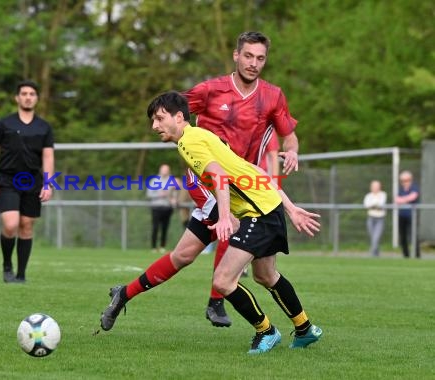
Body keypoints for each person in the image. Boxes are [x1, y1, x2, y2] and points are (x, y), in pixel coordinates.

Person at [100, 92, 322, 354]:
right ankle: (304, 328)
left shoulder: (189, 142)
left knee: (223, 281)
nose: (155, 126)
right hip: (266, 207)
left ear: (179, 117)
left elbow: (219, 178)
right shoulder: (202, 137)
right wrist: (290, 207)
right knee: (265, 275)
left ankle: (266, 331)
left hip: (257, 213)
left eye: (159, 119)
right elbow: (254, 172)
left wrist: (226, 215)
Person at [182, 31, 299, 327]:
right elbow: (176, 112)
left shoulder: (273, 95)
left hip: (245, 181)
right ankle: (218, 301)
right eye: (248, 56)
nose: (253, 63)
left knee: (264, 272)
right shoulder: (210, 90)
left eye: (260, 58)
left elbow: (289, 134)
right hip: (206, 180)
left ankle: (301, 327)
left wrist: (292, 150)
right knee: (220, 233)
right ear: (236, 55)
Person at [0, 80, 55, 283]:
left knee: (26, 225)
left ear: (37, 98)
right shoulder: (4, 124)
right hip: (7, 180)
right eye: (24, 93)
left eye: (32, 93)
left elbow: (48, 156)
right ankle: (7, 266)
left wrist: (48, 183)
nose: (28, 96)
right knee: (11, 224)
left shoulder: (44, 127)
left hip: (33, 181)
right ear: (17, 98)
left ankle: (21, 275)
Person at [146, 164, 177, 253]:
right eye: (163, 170)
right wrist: (159, 195)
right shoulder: (154, 180)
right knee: (155, 227)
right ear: (160, 170)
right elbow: (149, 194)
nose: (165, 171)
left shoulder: (172, 181)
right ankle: (153, 247)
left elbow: (175, 193)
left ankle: (162, 246)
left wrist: (174, 199)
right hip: (156, 207)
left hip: (167, 208)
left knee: (165, 228)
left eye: (166, 170)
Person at [395, 171, 420, 258]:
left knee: (413, 236)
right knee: (403, 236)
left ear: (410, 180)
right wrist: (406, 199)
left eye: (406, 180)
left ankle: (417, 255)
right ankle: (406, 255)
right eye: (402, 180)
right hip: (402, 215)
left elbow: (413, 196)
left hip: (412, 215)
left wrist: (403, 199)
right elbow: (397, 200)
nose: (404, 182)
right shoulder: (400, 189)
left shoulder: (414, 187)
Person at [363, 180, 387, 257]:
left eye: (377, 186)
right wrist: (374, 205)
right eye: (374, 186)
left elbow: (380, 204)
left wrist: (374, 205)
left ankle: (373, 254)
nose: (375, 188)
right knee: (372, 237)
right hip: (371, 218)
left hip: (380, 218)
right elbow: (366, 205)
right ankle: (376, 254)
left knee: (376, 237)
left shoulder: (383, 194)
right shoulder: (368, 196)